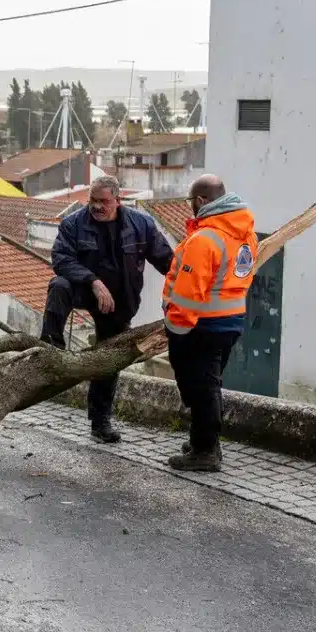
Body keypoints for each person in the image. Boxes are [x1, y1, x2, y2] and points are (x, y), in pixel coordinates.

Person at [45, 176, 174, 442]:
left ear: (118, 200)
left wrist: (184, 291)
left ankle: (100, 421)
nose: (97, 206)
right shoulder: (73, 223)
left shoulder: (142, 225)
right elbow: (60, 259)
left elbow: (167, 263)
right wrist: (92, 281)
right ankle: (49, 349)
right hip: (84, 289)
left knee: (108, 359)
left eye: (104, 201)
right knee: (58, 285)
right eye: (93, 200)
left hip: (120, 302)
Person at [162, 174, 257, 472]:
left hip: (200, 326)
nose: (190, 207)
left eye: (192, 200)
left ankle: (204, 451)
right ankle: (205, 442)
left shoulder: (205, 239)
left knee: (200, 389)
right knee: (209, 385)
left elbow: (188, 294)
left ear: (201, 200)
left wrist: (176, 331)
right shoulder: (246, 234)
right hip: (229, 323)